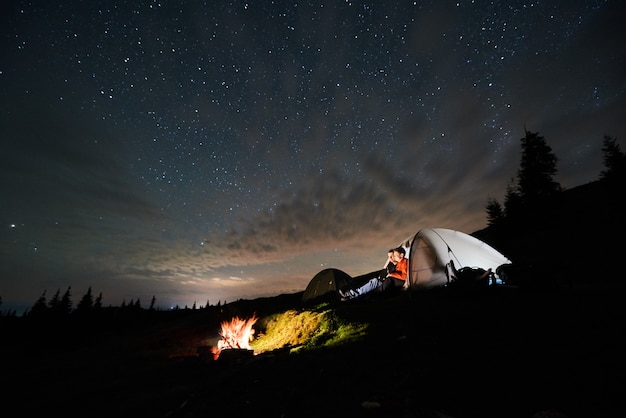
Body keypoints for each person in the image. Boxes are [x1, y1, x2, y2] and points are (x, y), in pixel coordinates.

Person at [339, 246, 408, 301]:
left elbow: (404, 276)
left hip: (389, 281)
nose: (392, 258)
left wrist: (391, 274)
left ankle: (352, 295)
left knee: (374, 283)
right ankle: (352, 295)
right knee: (373, 281)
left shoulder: (404, 263)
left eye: (394, 255)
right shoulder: (397, 264)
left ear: (401, 255)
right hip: (385, 280)